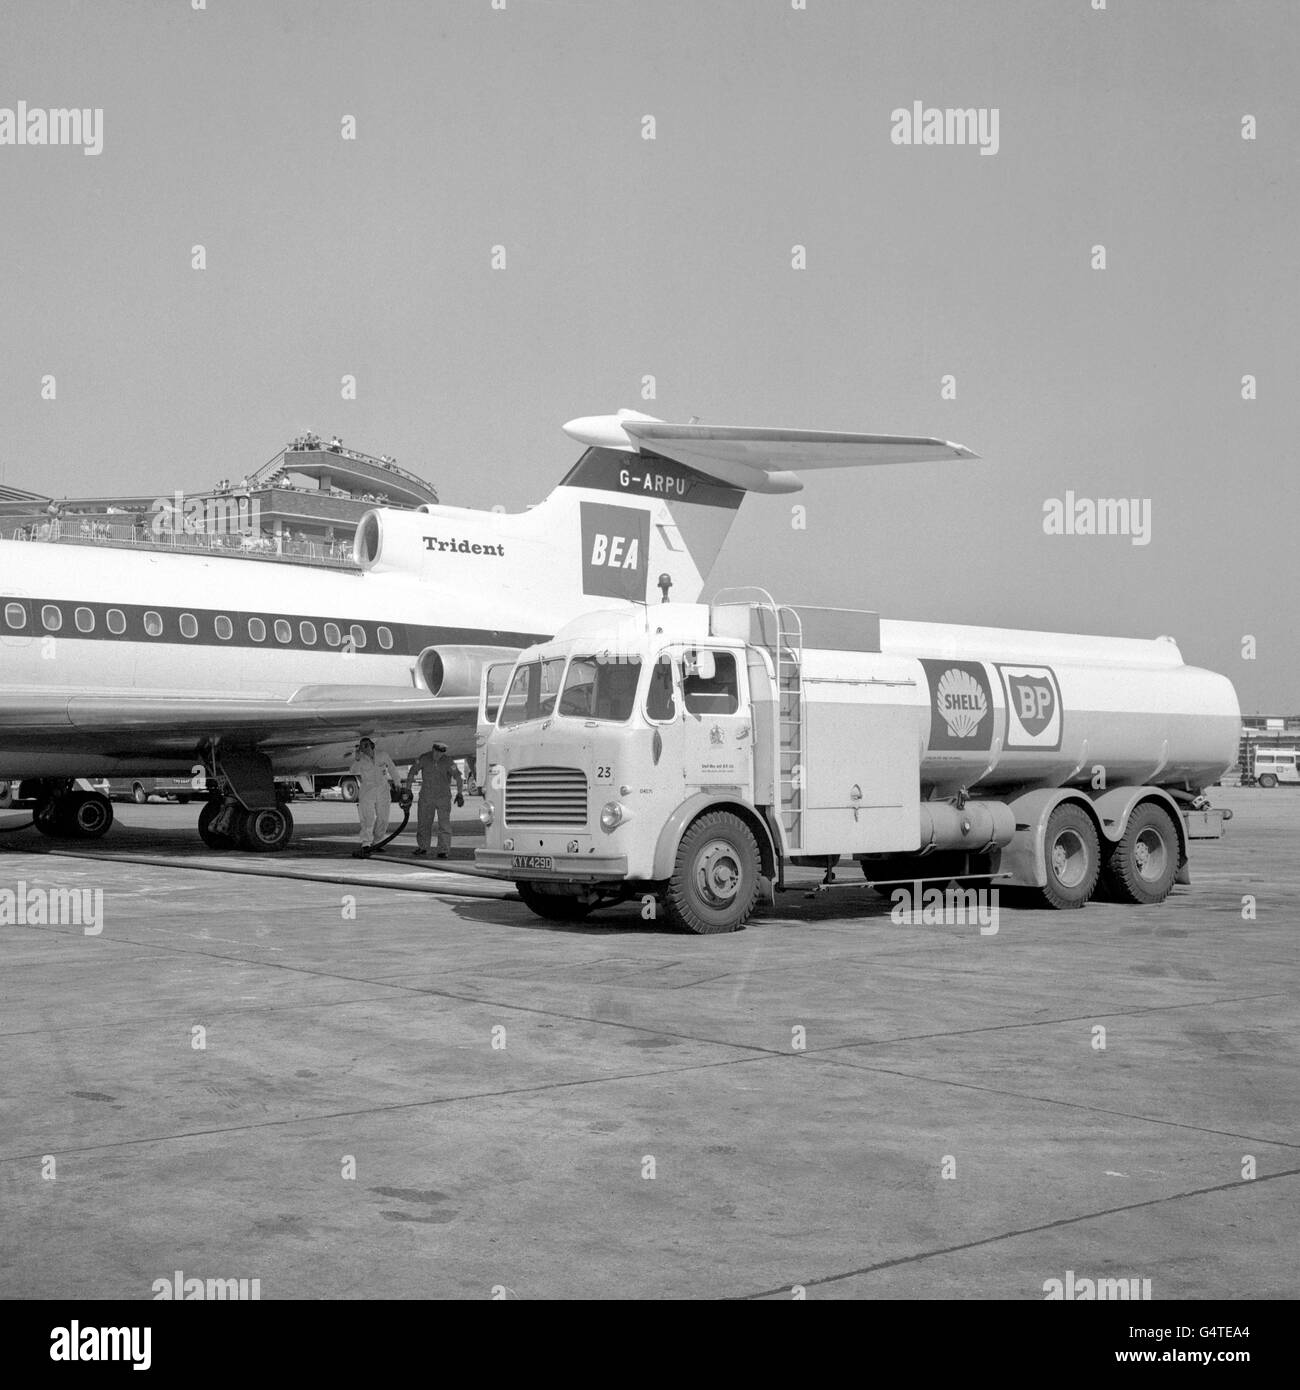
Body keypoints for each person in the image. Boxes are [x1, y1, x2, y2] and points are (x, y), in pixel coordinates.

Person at [405, 741, 464, 857]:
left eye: (441, 753)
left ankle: (443, 850)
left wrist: (460, 793)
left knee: (444, 825)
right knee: (423, 823)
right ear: (433, 749)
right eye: (436, 752)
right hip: (426, 797)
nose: (438, 755)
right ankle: (423, 847)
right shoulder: (424, 758)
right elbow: (412, 772)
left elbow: (458, 777)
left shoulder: (448, 761)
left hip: (443, 797)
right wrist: (408, 789)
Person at [348, 737, 402, 857]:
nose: (364, 748)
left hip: (383, 790)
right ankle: (366, 843)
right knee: (368, 818)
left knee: (383, 818)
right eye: (362, 746)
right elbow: (352, 771)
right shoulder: (361, 760)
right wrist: (356, 759)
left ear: (372, 745)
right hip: (367, 791)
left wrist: (397, 782)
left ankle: (377, 842)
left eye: (366, 745)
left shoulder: (382, 755)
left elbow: (392, 768)